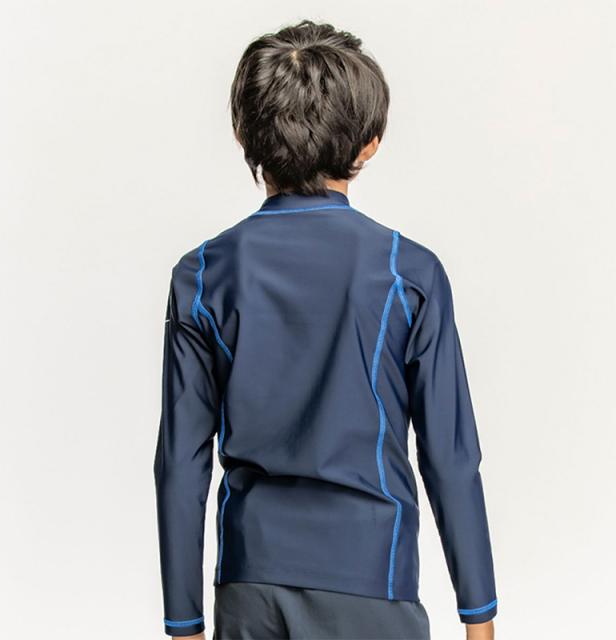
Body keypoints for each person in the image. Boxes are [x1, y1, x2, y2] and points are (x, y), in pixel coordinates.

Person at [154, 19, 497, 640]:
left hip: (250, 587)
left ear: (242, 134)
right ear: (370, 143)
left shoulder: (201, 275)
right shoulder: (408, 273)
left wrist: (184, 623)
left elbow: (181, 461)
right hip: (372, 582)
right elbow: (450, 456)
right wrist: (479, 614)